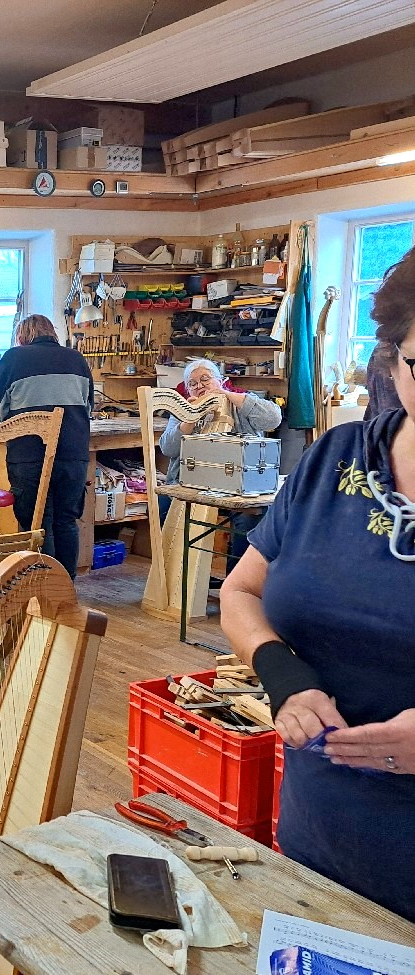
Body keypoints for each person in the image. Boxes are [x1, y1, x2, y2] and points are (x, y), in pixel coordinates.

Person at [219, 244, 415, 923]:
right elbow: (240, 592)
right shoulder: (336, 459)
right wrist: (283, 675)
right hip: (317, 843)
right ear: (393, 360)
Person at [0, 313, 93, 579]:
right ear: (52, 333)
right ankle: (65, 588)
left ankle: (42, 587)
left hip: (29, 454)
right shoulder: (77, 360)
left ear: (22, 336)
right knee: (66, 521)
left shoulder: (13, 358)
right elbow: (88, 406)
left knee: (37, 524)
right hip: (73, 453)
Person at [157, 358, 282, 568]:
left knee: (250, 519)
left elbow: (273, 419)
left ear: (221, 380)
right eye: (192, 384)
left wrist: (226, 395)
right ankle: (179, 574)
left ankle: (236, 579)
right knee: (165, 503)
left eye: (205, 379)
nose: (200, 386)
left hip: (237, 487)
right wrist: (190, 418)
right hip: (192, 484)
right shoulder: (184, 409)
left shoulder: (240, 401)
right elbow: (167, 448)